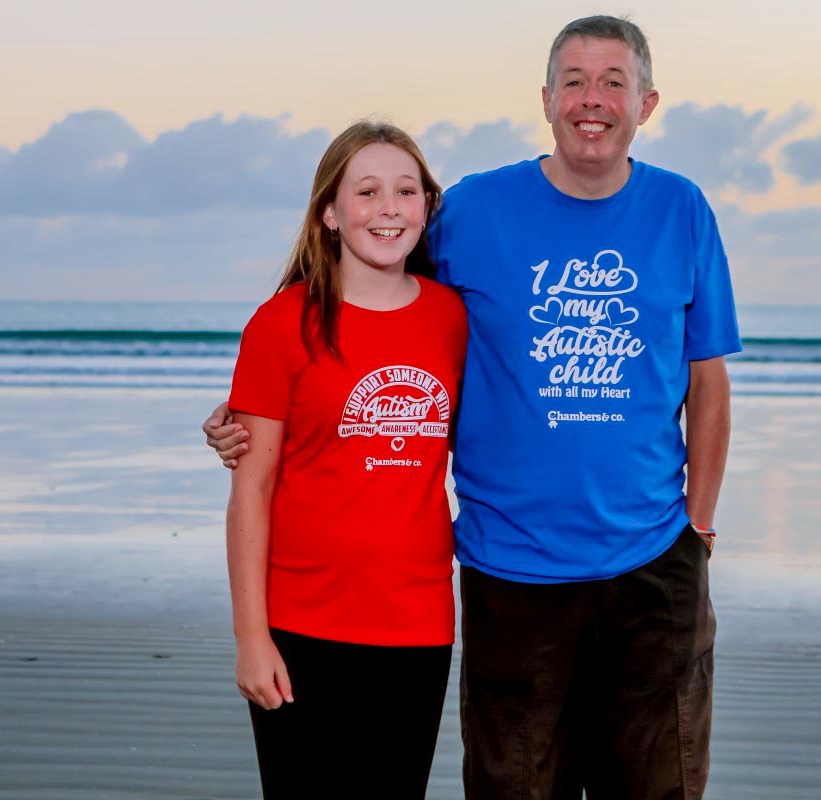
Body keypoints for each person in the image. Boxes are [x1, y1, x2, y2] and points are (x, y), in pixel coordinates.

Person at [208, 16, 739, 800]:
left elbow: (707, 379)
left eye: (613, 82)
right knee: (513, 787)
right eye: (574, 82)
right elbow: (373, 306)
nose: (592, 100)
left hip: (653, 565)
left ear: (646, 103)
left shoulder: (682, 210)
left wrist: (698, 522)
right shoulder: (472, 212)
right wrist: (248, 414)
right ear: (546, 99)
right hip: (508, 569)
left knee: (660, 785)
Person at [224, 120, 467, 799]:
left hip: (417, 626)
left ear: (426, 207)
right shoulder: (282, 323)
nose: (388, 208)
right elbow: (252, 488)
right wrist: (251, 636)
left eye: (405, 191)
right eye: (366, 191)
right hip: (300, 624)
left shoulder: (453, 319)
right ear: (329, 212)